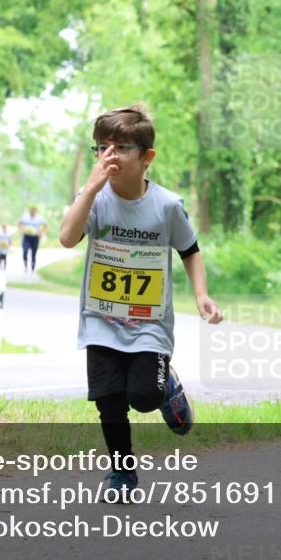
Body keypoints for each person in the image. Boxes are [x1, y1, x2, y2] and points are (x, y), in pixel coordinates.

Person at [59, 105, 223, 502]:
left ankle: (167, 390)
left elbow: (190, 249)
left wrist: (201, 294)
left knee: (143, 397)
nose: (108, 156)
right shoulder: (95, 200)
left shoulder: (166, 206)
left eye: (120, 148)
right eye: (101, 147)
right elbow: (67, 237)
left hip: (148, 325)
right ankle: (122, 472)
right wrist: (89, 189)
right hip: (100, 320)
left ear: (146, 158)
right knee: (108, 402)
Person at [17, 206, 47, 273]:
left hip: (35, 237)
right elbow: (19, 223)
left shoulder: (39, 217)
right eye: (31, 211)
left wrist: (41, 232)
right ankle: (25, 265)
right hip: (26, 236)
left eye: (33, 212)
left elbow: (45, 224)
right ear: (29, 211)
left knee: (34, 252)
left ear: (35, 212)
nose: (32, 213)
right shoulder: (25, 216)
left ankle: (33, 266)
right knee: (25, 250)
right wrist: (21, 230)